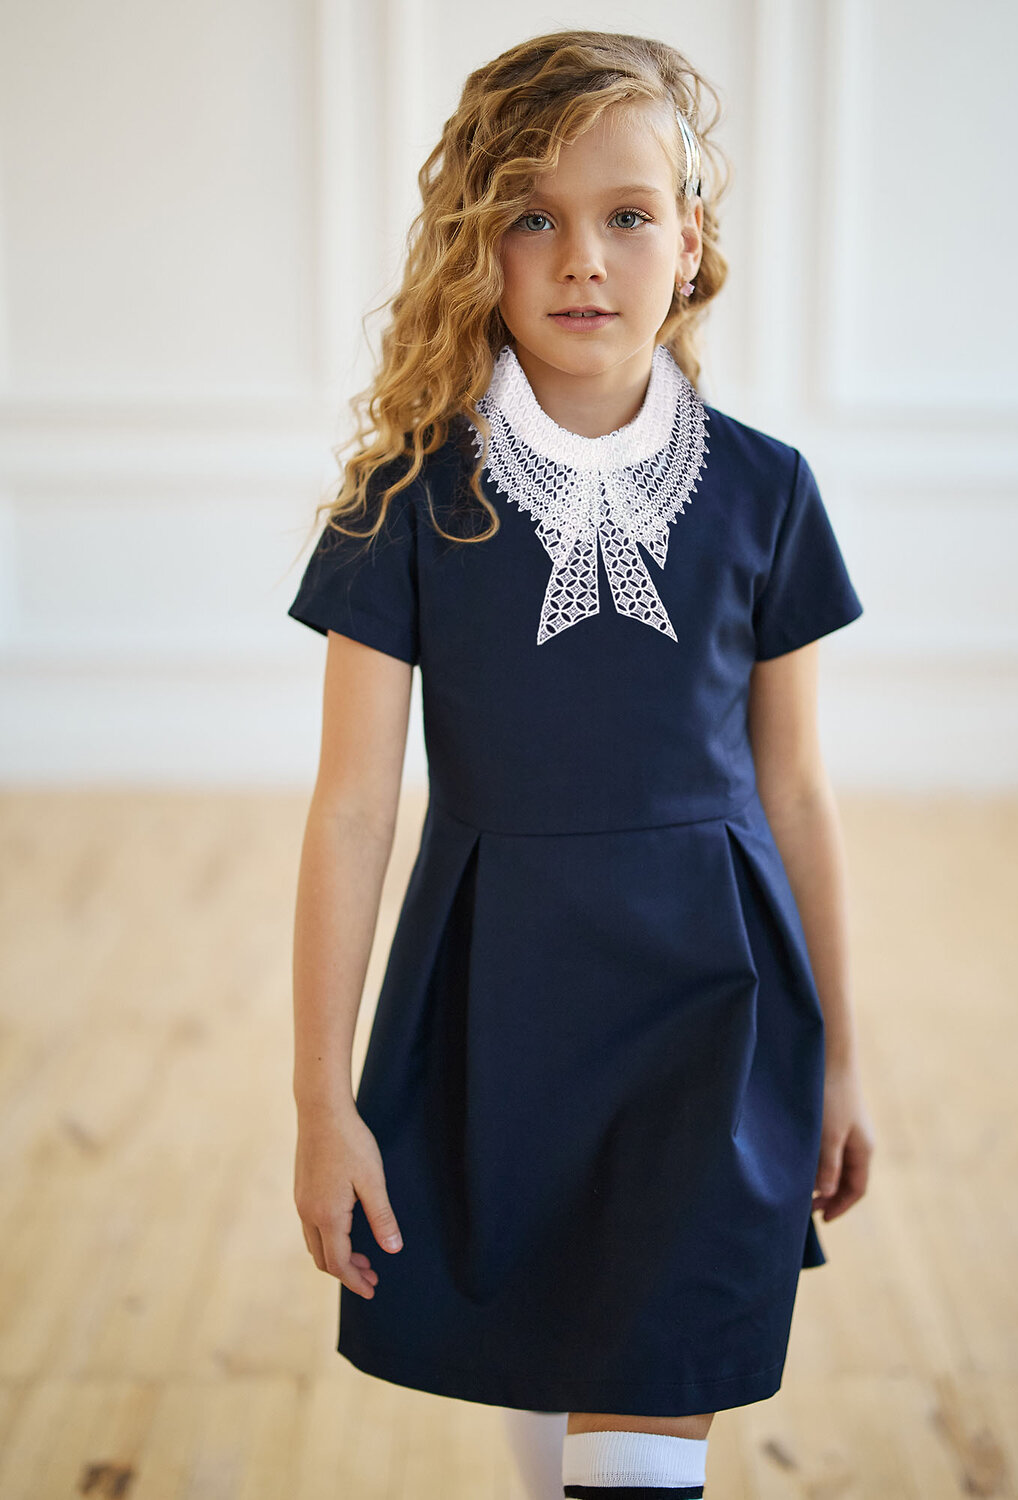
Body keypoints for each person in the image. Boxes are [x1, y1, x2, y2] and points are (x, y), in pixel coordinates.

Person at [287, 28, 875, 1500]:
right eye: (532, 217)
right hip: (493, 1006)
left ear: (691, 243)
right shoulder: (407, 499)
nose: (583, 260)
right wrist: (319, 1100)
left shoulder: (767, 491)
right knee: (557, 1366)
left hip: (719, 1007)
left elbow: (796, 791)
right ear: (474, 247)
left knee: (648, 1410)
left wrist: (845, 1056)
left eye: (627, 214)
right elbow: (352, 810)